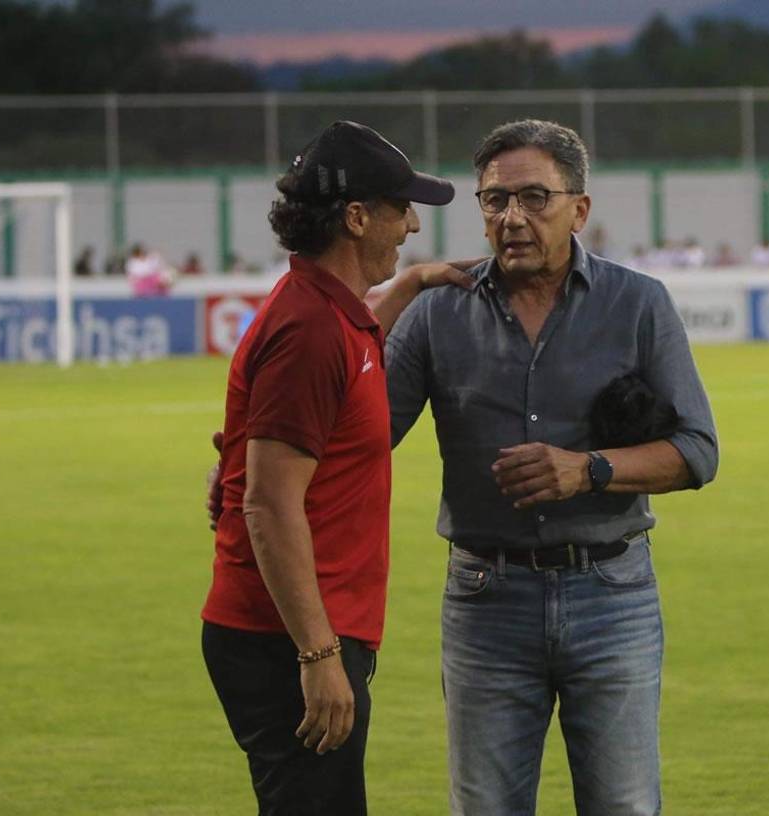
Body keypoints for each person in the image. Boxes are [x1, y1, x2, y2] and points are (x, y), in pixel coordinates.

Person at [385, 119, 718, 815]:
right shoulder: (437, 310)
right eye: (494, 201)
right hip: (486, 599)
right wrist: (261, 453)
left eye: (535, 198)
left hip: (612, 593)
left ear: (580, 209)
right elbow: (361, 439)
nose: (512, 218)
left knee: (624, 805)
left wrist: (587, 470)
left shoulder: (638, 304)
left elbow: (696, 451)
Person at [200, 120, 460, 816]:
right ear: (354, 216)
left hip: (297, 627)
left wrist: (413, 285)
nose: (410, 224)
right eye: (400, 208)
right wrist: (318, 657)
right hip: (287, 637)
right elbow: (269, 504)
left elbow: (354, 337)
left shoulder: (327, 311)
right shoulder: (312, 332)